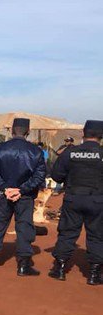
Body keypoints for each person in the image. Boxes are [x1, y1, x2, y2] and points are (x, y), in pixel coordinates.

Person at [0, 118, 46, 275]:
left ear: (11, 130)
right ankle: (23, 266)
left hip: (1, 195)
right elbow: (39, 176)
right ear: (28, 131)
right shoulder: (36, 152)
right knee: (24, 227)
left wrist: (5, 188)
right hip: (24, 197)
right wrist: (21, 190)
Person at [48, 120, 103, 285]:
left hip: (73, 198)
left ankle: (59, 269)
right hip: (98, 200)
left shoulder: (70, 152)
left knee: (67, 233)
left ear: (84, 134)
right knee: (97, 236)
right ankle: (94, 273)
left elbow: (56, 176)